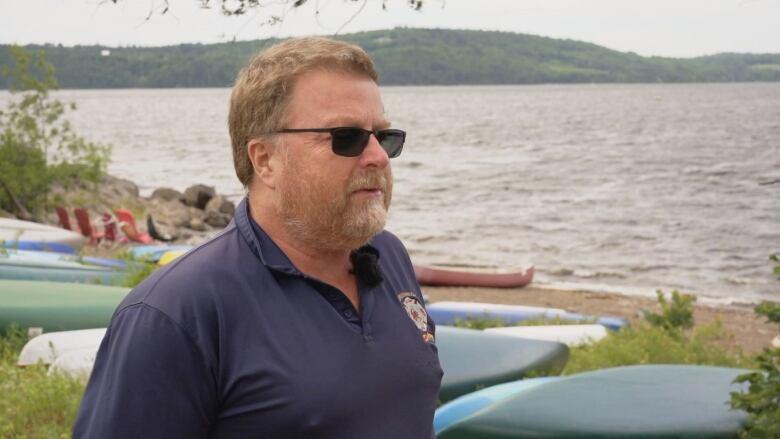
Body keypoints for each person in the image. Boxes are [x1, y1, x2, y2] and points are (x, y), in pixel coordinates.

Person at [73, 37, 443, 438]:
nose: (377, 157)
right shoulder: (175, 314)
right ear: (265, 160)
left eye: (383, 137)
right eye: (347, 138)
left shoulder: (389, 257)